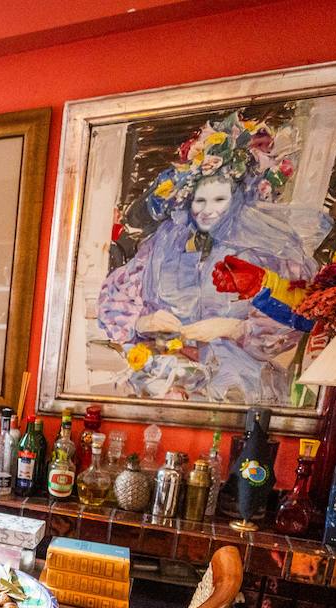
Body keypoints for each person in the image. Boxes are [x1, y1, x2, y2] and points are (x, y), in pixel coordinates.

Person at [95, 112, 322, 404]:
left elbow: (296, 315)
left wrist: (234, 328)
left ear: (238, 200)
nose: (207, 210)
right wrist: (145, 321)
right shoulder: (165, 247)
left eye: (219, 200)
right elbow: (114, 300)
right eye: (200, 200)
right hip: (162, 382)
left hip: (236, 387)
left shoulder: (262, 251)